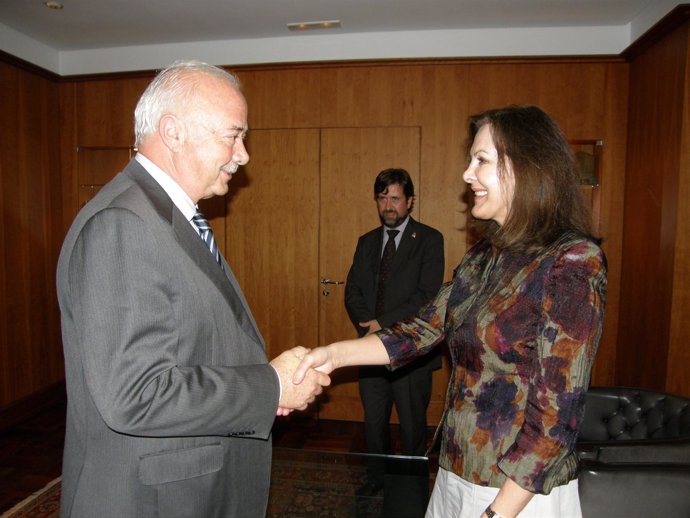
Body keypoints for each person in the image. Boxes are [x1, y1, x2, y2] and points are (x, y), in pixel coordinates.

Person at [294, 105, 607, 518]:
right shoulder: (484, 256)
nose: (467, 174)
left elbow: (556, 418)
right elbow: (420, 329)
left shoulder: (572, 262)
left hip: (517, 494)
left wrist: (498, 513)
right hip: (455, 471)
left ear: (525, 168)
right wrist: (331, 355)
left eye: (481, 160)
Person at [56, 60, 329, 518]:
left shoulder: (163, 217)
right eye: (233, 135)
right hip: (151, 500)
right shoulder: (123, 225)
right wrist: (271, 385)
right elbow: (135, 393)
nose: (243, 155)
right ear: (173, 132)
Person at [345, 168, 444, 494]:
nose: (388, 205)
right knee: (374, 421)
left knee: (412, 423)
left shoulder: (430, 239)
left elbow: (427, 295)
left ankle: (413, 485)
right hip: (372, 350)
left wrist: (381, 324)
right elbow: (352, 292)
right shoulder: (367, 242)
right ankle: (376, 477)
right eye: (382, 198)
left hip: (411, 352)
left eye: (395, 198)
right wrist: (369, 325)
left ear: (410, 201)